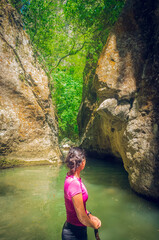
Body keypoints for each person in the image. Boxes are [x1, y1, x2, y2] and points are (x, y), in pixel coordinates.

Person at [62, 147, 101, 240]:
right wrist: (94, 225)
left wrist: (90, 215)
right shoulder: (74, 184)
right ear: (82, 162)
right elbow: (82, 217)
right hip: (74, 234)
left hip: (77, 230)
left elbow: (79, 208)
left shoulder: (71, 178)